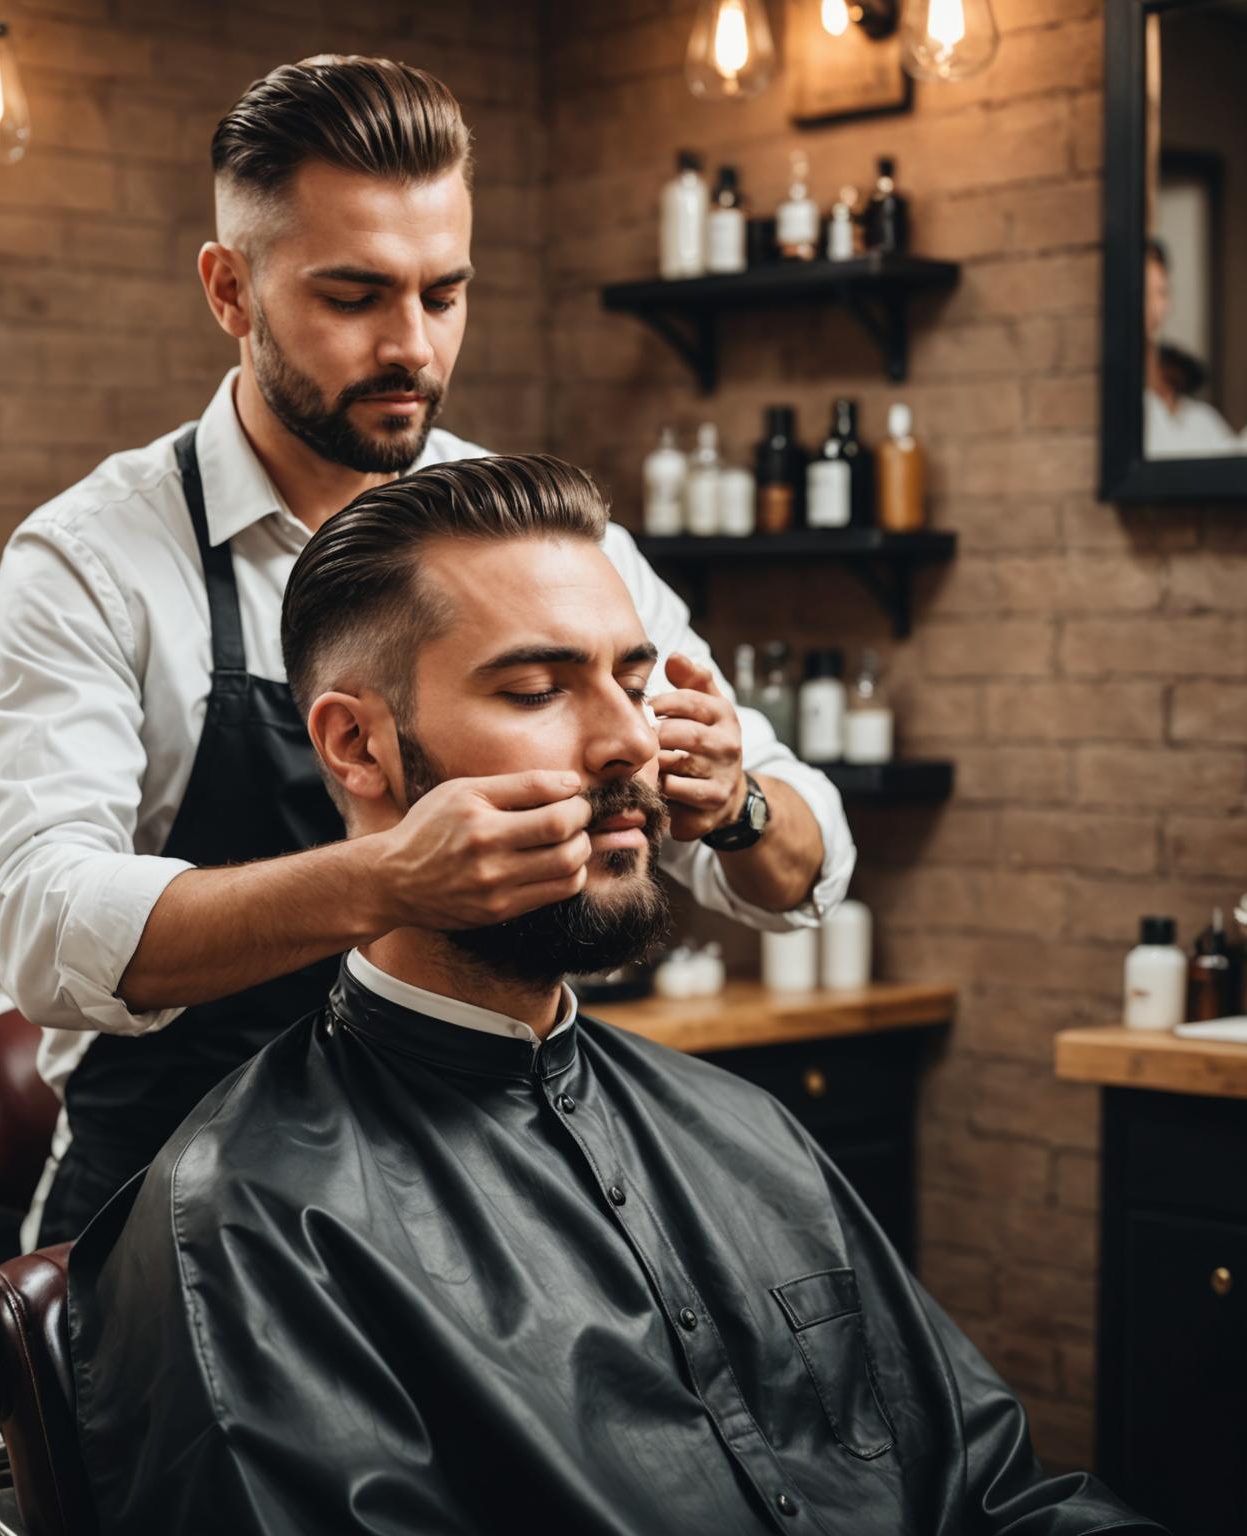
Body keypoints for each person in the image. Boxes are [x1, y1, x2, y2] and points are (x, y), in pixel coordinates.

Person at [69, 454, 1161, 1536]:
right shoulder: (258, 1229)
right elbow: (43, 908)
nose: (633, 740)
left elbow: (999, 1491)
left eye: (634, 683)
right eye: (539, 690)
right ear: (357, 746)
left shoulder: (745, 1130)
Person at [0, 56, 853, 1251]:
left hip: (483, 1191)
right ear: (230, 290)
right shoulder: (95, 557)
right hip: (183, 1217)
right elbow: (40, 920)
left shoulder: (538, 539)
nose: (413, 348)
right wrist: (384, 879)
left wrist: (733, 801)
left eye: (445, 294)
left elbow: (803, 862)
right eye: (355, 297)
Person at [1143, 237, 1245, 458]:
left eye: (1161, 292)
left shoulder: (1199, 420)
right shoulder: (1134, 408)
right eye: (1147, 291)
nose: (1156, 305)